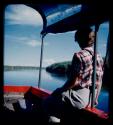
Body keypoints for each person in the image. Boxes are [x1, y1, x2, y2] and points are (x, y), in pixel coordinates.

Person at [41, 27, 104, 123]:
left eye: (77, 40)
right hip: (92, 99)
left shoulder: (79, 55)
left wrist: (59, 90)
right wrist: (95, 100)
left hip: (80, 98)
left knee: (47, 102)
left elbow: (73, 81)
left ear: (81, 39)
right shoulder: (99, 57)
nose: (77, 43)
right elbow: (99, 81)